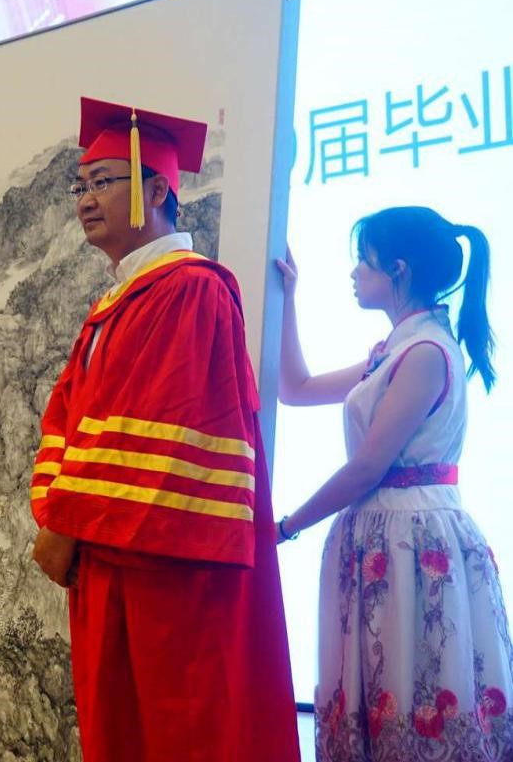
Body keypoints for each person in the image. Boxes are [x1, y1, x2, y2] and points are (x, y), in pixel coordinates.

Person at [28, 98, 300, 761]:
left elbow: (164, 424)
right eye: (79, 186)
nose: (85, 199)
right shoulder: (116, 302)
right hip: (109, 551)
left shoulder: (191, 290)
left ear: (157, 191)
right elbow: (69, 416)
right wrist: (57, 513)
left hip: (165, 566)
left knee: (175, 733)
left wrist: (64, 523)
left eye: (102, 181)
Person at [274, 207, 510, 760]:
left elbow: (368, 467)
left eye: (365, 260)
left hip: (410, 542)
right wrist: (287, 297)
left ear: (398, 269)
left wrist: (285, 527)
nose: (355, 272)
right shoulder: (397, 350)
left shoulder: (424, 353)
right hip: (390, 536)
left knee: (413, 684)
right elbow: (295, 388)